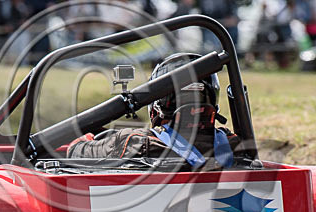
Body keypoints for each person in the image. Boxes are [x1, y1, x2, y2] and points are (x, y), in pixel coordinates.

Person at [67, 53, 239, 170]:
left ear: (158, 106)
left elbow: (74, 150)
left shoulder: (134, 142)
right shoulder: (234, 145)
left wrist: (97, 135)